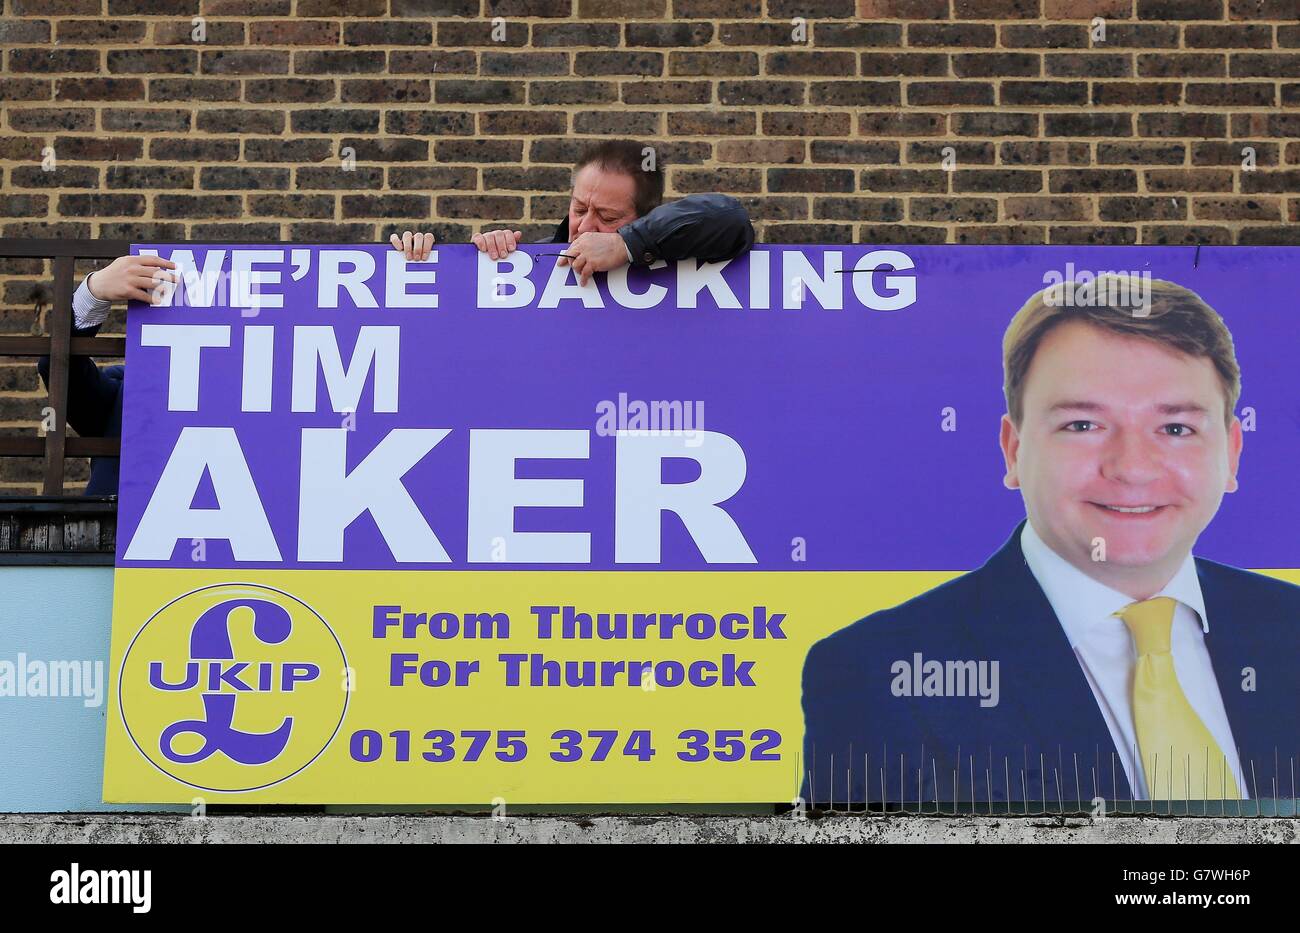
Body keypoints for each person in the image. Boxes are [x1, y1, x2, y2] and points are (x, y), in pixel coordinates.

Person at [799, 276, 1300, 807]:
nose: (1131, 468)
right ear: (1013, 451)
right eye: (1083, 425)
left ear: (1231, 453)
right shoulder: (880, 674)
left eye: (1176, 428)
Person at [42, 138, 755, 496]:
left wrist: (627, 246)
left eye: (609, 214)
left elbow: (729, 220)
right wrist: (416, 273)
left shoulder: (649, 255)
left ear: (642, 217)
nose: (584, 224)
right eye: (579, 207)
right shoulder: (525, 262)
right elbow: (71, 390)